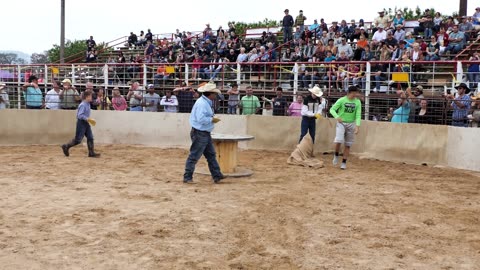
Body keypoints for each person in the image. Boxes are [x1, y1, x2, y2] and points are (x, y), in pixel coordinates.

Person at [183, 82, 225, 184]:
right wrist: (212, 119)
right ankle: (188, 177)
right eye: (214, 93)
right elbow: (201, 119)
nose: (215, 95)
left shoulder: (203, 102)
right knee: (196, 155)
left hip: (202, 132)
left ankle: (217, 175)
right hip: (200, 132)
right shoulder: (202, 103)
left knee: (210, 155)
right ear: (210, 94)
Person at [330, 85, 362, 170]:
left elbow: (358, 114)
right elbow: (332, 109)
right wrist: (337, 117)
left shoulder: (358, 102)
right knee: (339, 140)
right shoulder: (341, 100)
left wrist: (357, 126)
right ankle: (336, 154)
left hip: (351, 123)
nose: (357, 94)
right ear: (352, 92)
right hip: (341, 123)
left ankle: (344, 162)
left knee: (348, 144)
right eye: (356, 92)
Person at [61, 90, 100, 158]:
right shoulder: (83, 105)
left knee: (90, 137)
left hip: (85, 122)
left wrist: (87, 119)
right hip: (81, 123)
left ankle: (91, 152)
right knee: (78, 139)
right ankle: (66, 146)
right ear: (87, 97)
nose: (92, 98)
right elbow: (79, 115)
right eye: (90, 96)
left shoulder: (87, 104)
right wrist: (88, 119)